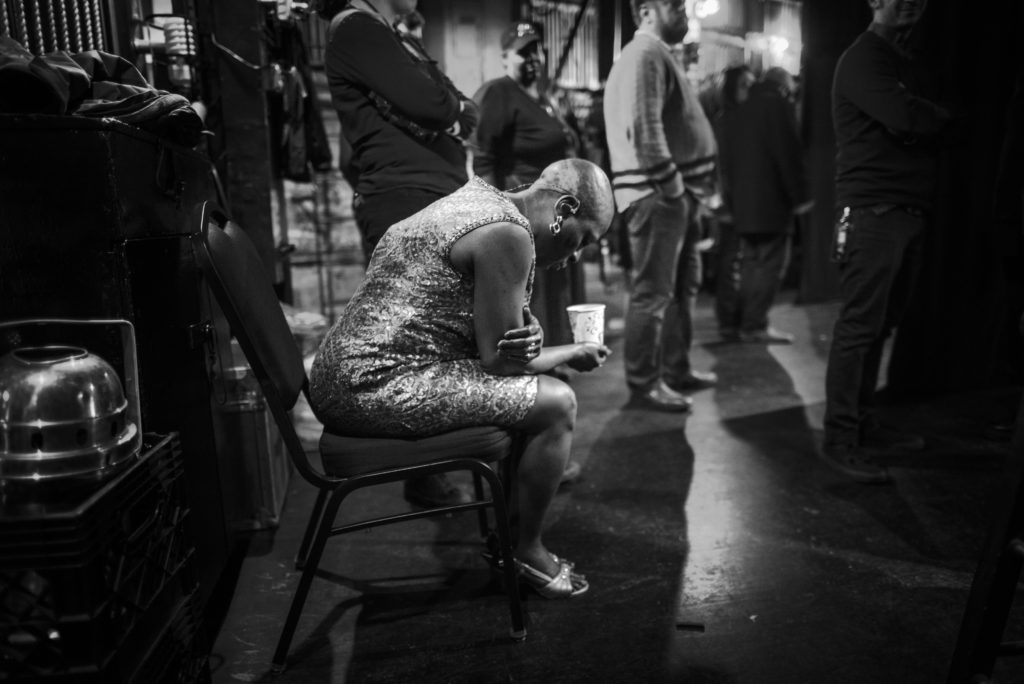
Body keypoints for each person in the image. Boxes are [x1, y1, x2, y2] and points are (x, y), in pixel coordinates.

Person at [308, 159, 615, 598]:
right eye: (583, 238)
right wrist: (570, 352)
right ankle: (524, 550)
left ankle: (509, 538)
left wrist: (536, 340)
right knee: (556, 403)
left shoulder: (477, 200)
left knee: (531, 394)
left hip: (341, 372)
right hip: (373, 384)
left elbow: (490, 338)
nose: (576, 255)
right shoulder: (508, 234)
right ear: (563, 209)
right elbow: (501, 362)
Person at [319, 0, 479, 508]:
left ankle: (444, 465)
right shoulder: (357, 28)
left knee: (444, 341)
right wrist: (451, 111)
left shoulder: (384, 33)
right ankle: (428, 471)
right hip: (406, 202)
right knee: (415, 347)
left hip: (423, 199)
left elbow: (449, 101)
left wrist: (451, 108)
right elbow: (434, 104)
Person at [821, 0, 950, 483]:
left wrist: (921, 118)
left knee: (879, 327)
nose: (912, 3)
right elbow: (907, 116)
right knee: (859, 329)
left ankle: (863, 422)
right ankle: (840, 438)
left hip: (903, 211)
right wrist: (924, 119)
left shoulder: (901, 61)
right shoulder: (863, 57)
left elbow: (917, 117)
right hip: (874, 214)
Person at [603, 0, 719, 413]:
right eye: (674, 4)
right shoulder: (645, 53)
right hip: (658, 195)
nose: (685, 11)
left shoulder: (653, 54)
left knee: (677, 289)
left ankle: (675, 369)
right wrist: (674, 189)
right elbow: (647, 131)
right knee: (653, 293)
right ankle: (644, 382)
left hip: (668, 194)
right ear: (647, 10)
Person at [470, 22, 583, 349]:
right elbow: (483, 158)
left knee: (555, 288)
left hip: (556, 214)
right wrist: (498, 213)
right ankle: (535, 363)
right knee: (534, 292)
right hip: (525, 213)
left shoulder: (545, 97)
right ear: (505, 57)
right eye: (524, 52)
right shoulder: (497, 93)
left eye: (537, 49)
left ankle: (558, 356)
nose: (533, 57)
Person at [720, 67, 811, 344]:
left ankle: (743, 322)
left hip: (744, 205)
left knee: (750, 264)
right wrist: (801, 198)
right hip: (771, 204)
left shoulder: (739, 111)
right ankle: (754, 325)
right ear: (783, 87)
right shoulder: (778, 106)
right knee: (771, 266)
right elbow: (788, 154)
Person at [712, 64, 754, 341]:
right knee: (730, 262)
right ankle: (729, 322)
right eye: (743, 85)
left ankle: (736, 321)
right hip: (729, 203)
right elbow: (720, 167)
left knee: (737, 262)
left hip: (744, 201)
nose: (749, 92)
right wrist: (723, 205)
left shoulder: (745, 118)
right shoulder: (725, 120)